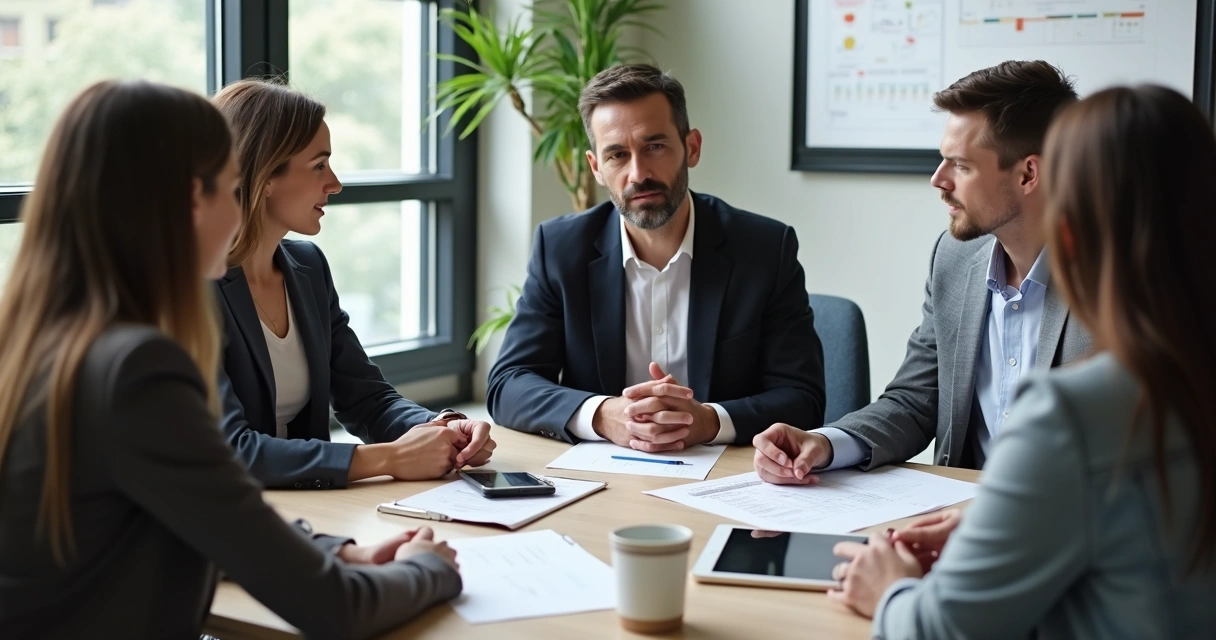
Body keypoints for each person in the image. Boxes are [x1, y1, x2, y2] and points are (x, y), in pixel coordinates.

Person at [0, 80, 462, 638]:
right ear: (196, 198)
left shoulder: (47, 340)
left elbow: (189, 513)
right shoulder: (137, 368)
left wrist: (337, 551)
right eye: (232, 185)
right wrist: (430, 569)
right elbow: (336, 609)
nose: (238, 206)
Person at [828, 84, 1216, 637]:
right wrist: (1003, 520)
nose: (938, 181)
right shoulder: (1190, 376)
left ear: (1067, 225)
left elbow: (939, 630)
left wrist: (889, 589)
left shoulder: (1072, 415)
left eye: (958, 165)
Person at [753, 60, 1091, 481]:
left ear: (1028, 174)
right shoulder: (954, 258)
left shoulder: (1115, 283)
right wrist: (824, 444)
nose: (938, 179)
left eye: (961, 166)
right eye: (942, 161)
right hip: (957, 519)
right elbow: (915, 401)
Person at [486, 64, 826, 452]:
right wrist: (603, 414)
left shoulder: (765, 249)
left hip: (728, 480)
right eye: (616, 155)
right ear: (596, 167)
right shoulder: (561, 249)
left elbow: (803, 397)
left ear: (691, 148)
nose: (638, 173)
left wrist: (709, 421)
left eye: (655, 146)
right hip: (604, 480)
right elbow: (508, 384)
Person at [211, 78, 495, 489]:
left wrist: (442, 428)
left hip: (310, 508)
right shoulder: (189, 290)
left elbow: (366, 398)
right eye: (319, 165)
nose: (335, 183)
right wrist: (390, 457)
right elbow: (231, 449)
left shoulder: (307, 267)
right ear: (265, 175)